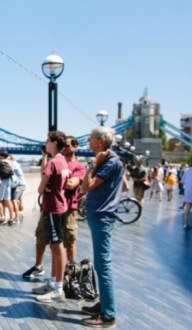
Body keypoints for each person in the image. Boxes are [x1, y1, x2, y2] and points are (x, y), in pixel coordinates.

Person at [80, 126, 124, 328]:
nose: (87, 140)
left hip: (102, 217)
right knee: (101, 264)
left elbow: (85, 186)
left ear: (101, 141)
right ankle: (104, 304)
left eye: (90, 137)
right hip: (99, 216)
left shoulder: (110, 162)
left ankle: (108, 315)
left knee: (103, 266)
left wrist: (92, 164)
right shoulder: (110, 161)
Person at [33, 131, 70, 304]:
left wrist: (45, 188)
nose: (46, 144)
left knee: (57, 247)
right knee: (57, 246)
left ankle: (58, 288)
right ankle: (54, 282)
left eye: (47, 141)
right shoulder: (62, 161)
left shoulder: (53, 162)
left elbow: (40, 189)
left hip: (53, 208)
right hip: (61, 206)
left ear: (54, 143)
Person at [0, 151, 17, 224]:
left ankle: (2, 217)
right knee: (8, 200)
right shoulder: (10, 162)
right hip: (8, 181)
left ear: (1, 155)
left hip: (1, 181)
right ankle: (11, 217)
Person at [182, 163, 192, 229]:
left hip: (188, 191)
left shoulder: (186, 170)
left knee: (187, 208)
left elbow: (183, 181)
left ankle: (186, 223)